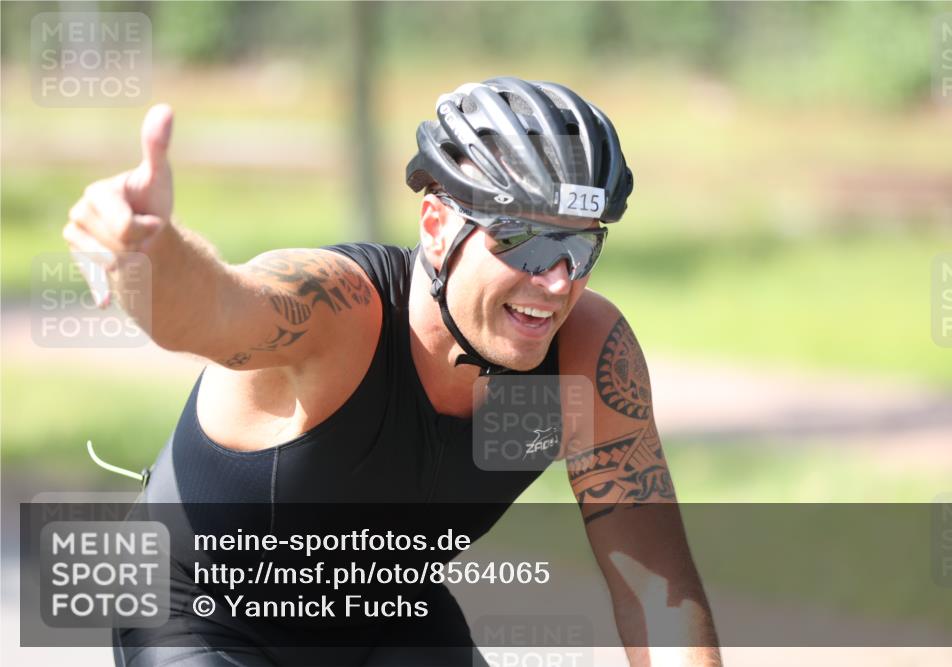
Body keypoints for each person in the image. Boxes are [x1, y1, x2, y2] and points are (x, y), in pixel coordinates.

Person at [65, 77, 722, 666]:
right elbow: (213, 312)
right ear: (437, 226)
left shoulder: (586, 351)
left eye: (580, 245)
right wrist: (147, 254)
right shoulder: (341, 312)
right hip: (201, 615)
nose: (555, 281)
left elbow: (656, 588)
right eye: (527, 241)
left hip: (385, 618)